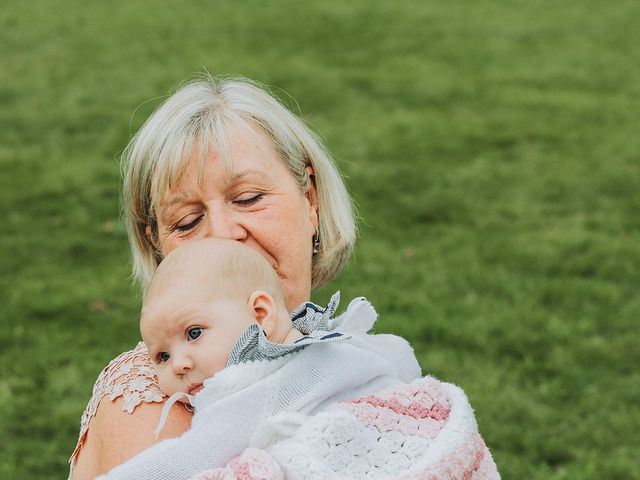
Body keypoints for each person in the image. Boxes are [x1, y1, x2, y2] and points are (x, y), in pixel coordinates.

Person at [69, 75, 357, 479]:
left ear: (310, 201)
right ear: (159, 250)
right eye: (187, 222)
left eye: (248, 198)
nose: (223, 234)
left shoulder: (349, 352)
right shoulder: (157, 401)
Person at [99, 237, 424, 479]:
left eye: (194, 333)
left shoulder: (249, 389)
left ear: (260, 314)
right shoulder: (335, 341)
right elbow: (401, 354)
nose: (179, 364)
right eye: (162, 356)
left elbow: (191, 457)